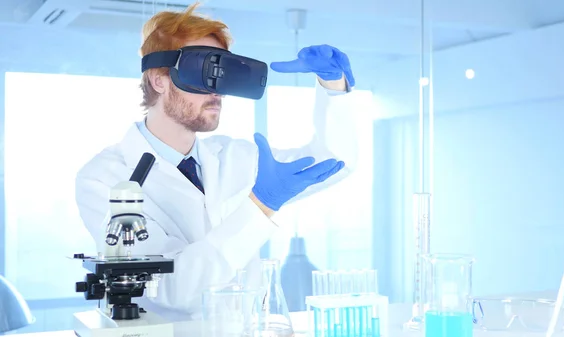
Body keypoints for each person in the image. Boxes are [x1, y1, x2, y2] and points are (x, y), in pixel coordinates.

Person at [75, 3, 358, 318]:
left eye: (222, 75)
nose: (217, 91)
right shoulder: (104, 179)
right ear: (159, 80)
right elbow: (174, 288)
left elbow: (334, 163)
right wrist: (260, 204)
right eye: (203, 72)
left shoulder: (237, 157)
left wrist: (334, 90)